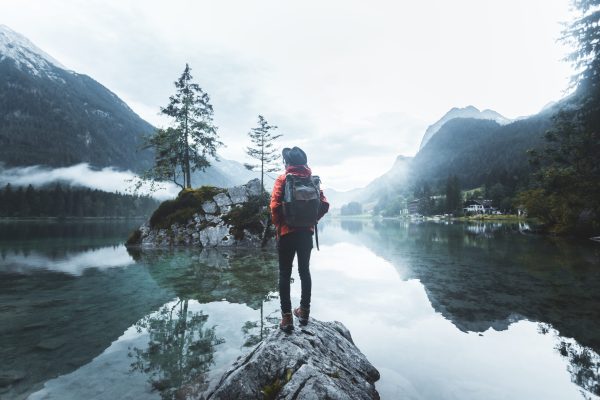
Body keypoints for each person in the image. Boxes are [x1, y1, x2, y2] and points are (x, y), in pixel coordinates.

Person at [270, 146, 329, 333]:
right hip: (306, 234)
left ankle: (287, 318)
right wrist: (311, 221)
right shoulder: (313, 180)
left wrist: (281, 225)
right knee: (304, 271)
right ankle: (304, 312)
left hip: (287, 234)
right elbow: (325, 205)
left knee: (284, 274)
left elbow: (274, 207)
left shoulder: (283, 179)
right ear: (304, 163)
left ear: (288, 163)